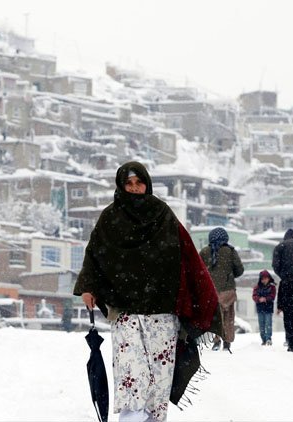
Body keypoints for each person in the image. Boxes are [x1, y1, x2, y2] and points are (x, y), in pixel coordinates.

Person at [74, 161, 222, 422]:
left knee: (159, 376)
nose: (133, 188)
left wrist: (203, 296)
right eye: (128, 183)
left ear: (147, 184)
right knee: (131, 373)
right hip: (125, 312)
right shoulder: (110, 217)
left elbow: (187, 254)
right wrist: (88, 286)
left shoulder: (162, 214)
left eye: (138, 183)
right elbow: (94, 252)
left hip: (162, 311)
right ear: (121, 185)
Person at [199, 227, 244, 352]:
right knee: (228, 317)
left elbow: (198, 270)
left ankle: (216, 339)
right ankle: (227, 342)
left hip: (210, 291)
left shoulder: (204, 251)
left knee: (214, 316)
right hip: (227, 290)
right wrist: (229, 274)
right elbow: (240, 270)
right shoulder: (230, 251)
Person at [252, 270, 276, 346]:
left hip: (268, 309)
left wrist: (266, 299)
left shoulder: (272, 287)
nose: (264, 280)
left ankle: (268, 338)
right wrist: (259, 299)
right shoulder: (257, 287)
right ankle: (263, 339)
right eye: (263, 278)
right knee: (261, 325)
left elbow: (273, 296)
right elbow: (254, 296)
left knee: (268, 324)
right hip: (260, 309)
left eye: (266, 278)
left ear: (269, 278)